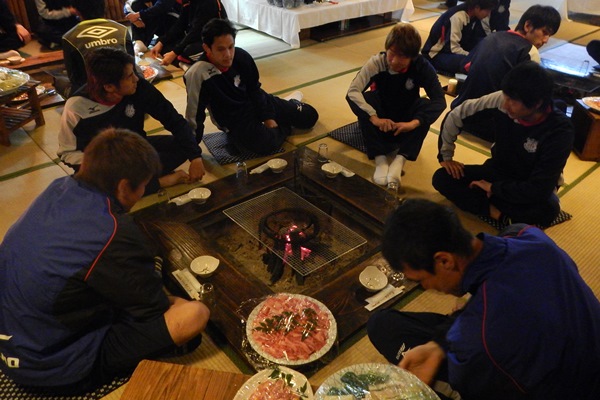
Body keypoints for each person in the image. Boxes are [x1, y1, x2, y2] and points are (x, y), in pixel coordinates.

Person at [0, 128, 210, 394]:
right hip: (51, 365)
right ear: (124, 186)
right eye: (144, 185)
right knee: (193, 315)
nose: (143, 192)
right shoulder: (112, 232)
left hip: (14, 340)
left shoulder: (58, 188)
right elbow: (152, 311)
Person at [370, 198, 600, 400]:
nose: (425, 289)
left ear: (444, 261)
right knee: (381, 324)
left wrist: (451, 343)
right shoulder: (527, 235)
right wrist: (438, 344)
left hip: (559, 389)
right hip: (583, 356)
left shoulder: (474, 343)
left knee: (389, 332)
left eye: (420, 280)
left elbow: (483, 335)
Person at [432, 61, 573, 227]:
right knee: (442, 178)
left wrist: (494, 188)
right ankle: (499, 215)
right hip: (498, 170)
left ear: (537, 104)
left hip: (528, 185)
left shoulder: (560, 130)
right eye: (505, 97)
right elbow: (457, 114)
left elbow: (539, 188)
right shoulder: (502, 100)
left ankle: (489, 205)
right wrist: (446, 156)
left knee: (547, 210)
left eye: (513, 101)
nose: (505, 105)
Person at [58, 47, 205, 194]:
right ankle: (158, 183)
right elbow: (67, 152)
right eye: (129, 76)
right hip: (103, 163)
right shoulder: (76, 106)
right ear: (109, 86)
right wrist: (102, 166)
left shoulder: (139, 87)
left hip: (135, 150)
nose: (136, 78)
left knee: (184, 145)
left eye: (134, 72)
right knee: (104, 184)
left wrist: (195, 157)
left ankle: (138, 185)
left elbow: (174, 120)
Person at [185, 18, 319, 154]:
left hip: (256, 101)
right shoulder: (197, 74)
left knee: (310, 117)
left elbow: (254, 90)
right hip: (235, 119)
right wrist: (193, 153)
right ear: (207, 48)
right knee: (266, 144)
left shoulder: (241, 56)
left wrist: (268, 118)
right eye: (220, 49)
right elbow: (194, 116)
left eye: (231, 47)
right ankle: (283, 127)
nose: (228, 55)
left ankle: (287, 108)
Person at [346, 23, 446, 186]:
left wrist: (414, 123)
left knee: (426, 107)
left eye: (402, 57)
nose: (394, 61)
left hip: (406, 120)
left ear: (412, 57)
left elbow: (439, 100)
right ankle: (380, 160)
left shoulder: (421, 66)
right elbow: (353, 91)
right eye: (391, 54)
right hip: (381, 120)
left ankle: (400, 160)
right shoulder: (377, 62)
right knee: (366, 100)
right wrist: (374, 118)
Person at [451, 4, 561, 140]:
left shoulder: (492, 37)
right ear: (528, 26)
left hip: (460, 114)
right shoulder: (529, 51)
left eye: (549, 35)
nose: (546, 40)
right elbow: (530, 96)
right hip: (492, 127)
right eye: (544, 32)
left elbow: (465, 66)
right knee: (555, 107)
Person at [61, 0, 134, 97]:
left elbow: (74, 77)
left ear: (77, 11)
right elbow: (132, 63)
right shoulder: (122, 29)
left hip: (93, 94)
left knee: (60, 81)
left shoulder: (69, 37)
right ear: (105, 7)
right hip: (125, 88)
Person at [422, 0, 498, 75]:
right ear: (477, 8)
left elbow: (476, 39)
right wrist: (471, 55)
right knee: (468, 62)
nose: (488, 14)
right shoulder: (458, 16)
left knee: (484, 44)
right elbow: (452, 48)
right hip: (437, 54)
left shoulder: (475, 16)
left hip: (458, 48)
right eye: (487, 11)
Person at [150, 0, 228, 67]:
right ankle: (182, 61)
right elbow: (180, 25)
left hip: (215, 41)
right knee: (161, 44)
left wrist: (174, 53)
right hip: (198, 38)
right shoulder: (188, 1)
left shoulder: (208, 2)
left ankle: (183, 63)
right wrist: (161, 42)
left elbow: (196, 32)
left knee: (189, 51)